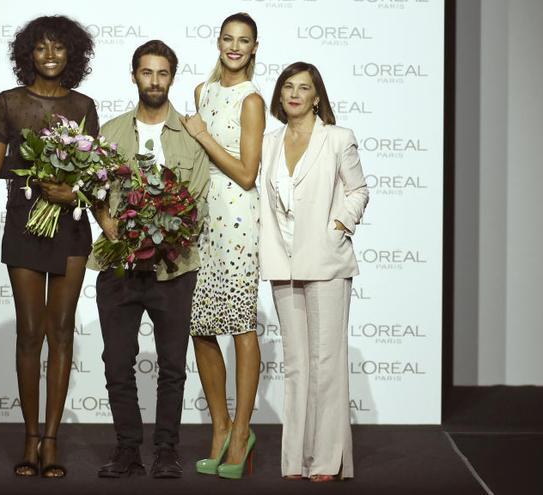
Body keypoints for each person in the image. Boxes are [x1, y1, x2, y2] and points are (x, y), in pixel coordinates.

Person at [0, 15, 98, 478]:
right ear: (29, 53)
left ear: (72, 55)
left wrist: (74, 191)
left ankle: (51, 440)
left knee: (61, 330)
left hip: (70, 230)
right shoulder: (7, 103)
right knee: (30, 332)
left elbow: (93, 176)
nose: (50, 55)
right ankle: (28, 437)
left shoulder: (84, 104)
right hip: (26, 225)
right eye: (41, 48)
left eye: (59, 48)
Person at [88, 40, 210, 480]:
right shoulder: (112, 131)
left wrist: (164, 234)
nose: (154, 81)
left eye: (162, 73)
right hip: (117, 266)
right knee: (117, 362)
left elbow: (195, 198)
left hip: (173, 269)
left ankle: (166, 451)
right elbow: (94, 190)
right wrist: (110, 226)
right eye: (146, 72)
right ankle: (126, 450)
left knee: (172, 366)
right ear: (134, 75)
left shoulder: (191, 135)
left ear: (171, 78)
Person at [258, 61, 369, 482]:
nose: (294, 94)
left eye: (303, 88)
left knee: (326, 361)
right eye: (288, 86)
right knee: (296, 364)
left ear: (316, 96)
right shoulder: (268, 142)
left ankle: (326, 460)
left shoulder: (338, 138)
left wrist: (339, 225)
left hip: (326, 262)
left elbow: (358, 189)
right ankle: (295, 461)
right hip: (281, 262)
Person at [180, 12, 265, 480]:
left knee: (240, 325)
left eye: (244, 41)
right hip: (200, 217)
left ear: (254, 48)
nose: (235, 47)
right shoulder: (201, 92)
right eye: (228, 39)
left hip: (236, 217)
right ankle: (219, 426)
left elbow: (248, 173)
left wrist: (203, 134)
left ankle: (241, 432)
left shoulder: (251, 100)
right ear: (218, 42)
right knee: (200, 324)